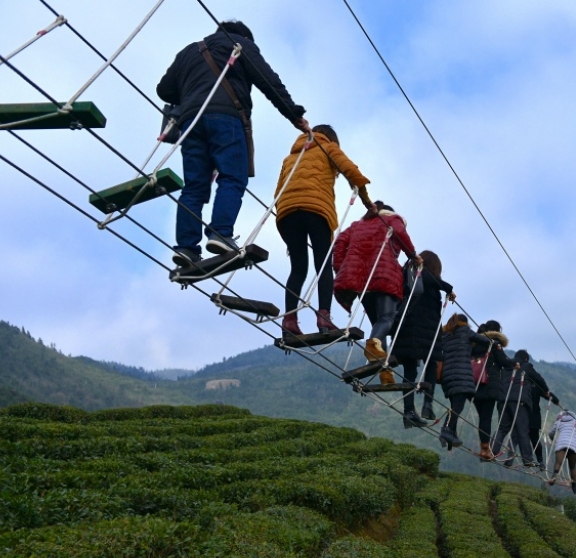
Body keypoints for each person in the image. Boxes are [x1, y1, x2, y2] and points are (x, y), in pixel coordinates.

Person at [157, 20, 309, 266]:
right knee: (233, 176)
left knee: (194, 185)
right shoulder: (242, 44)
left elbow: (164, 90)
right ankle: (220, 233)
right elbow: (268, 81)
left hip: (190, 123)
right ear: (246, 37)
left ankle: (186, 247)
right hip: (226, 118)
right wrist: (294, 114)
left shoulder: (189, 51)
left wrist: (191, 91)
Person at [273, 125, 372, 336]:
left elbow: (277, 193)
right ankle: (324, 316)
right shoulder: (328, 147)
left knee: (298, 268)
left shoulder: (290, 158)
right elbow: (351, 171)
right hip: (316, 210)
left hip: (288, 212)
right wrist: (366, 200)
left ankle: (289, 320)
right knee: (323, 265)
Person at [333, 202, 420, 384]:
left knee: (379, 324)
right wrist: (412, 254)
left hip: (362, 282)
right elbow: (400, 233)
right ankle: (375, 349)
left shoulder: (357, 225)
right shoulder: (392, 219)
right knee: (387, 318)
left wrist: (341, 268)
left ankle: (384, 367)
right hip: (384, 276)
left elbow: (340, 242)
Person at [392, 250, 455, 427]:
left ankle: (418, 408)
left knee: (423, 366)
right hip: (418, 329)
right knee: (421, 365)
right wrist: (448, 288)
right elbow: (429, 279)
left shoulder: (415, 275)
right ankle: (417, 408)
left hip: (419, 330)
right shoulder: (417, 272)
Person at [438, 313, 490, 449]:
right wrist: (495, 343)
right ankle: (446, 430)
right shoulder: (465, 331)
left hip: (447, 377)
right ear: (465, 323)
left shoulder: (445, 335)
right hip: (461, 374)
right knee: (458, 406)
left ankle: (451, 435)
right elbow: (484, 341)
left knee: (454, 405)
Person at [491, 350, 545, 468]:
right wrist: (546, 391)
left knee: (502, 428)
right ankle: (527, 459)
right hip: (519, 401)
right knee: (522, 430)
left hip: (502, 400)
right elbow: (539, 380)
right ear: (526, 359)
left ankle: (491, 452)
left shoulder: (506, 365)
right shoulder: (527, 366)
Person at [472, 320, 513, 461]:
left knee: (482, 418)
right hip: (489, 386)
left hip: (475, 385)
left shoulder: (475, 342)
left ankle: (485, 448)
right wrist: (515, 364)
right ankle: (485, 450)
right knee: (486, 418)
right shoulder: (495, 343)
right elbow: (504, 362)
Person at [547, 409, 576, 494]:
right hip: (573, 445)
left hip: (561, 444)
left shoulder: (558, 422)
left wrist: (552, 440)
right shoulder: (575, 421)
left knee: (558, 463)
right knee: (572, 467)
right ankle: (574, 487)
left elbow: (551, 433)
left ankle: (554, 476)